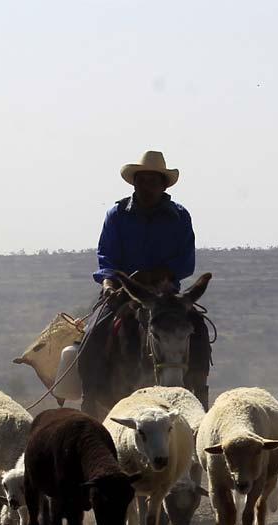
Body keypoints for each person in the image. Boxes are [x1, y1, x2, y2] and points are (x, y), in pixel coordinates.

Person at [78, 150, 210, 416]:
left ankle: (200, 391)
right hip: (122, 290)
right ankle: (90, 396)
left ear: (163, 185)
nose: (147, 187)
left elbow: (185, 261)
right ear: (134, 183)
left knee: (198, 328)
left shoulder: (179, 216)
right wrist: (109, 283)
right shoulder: (116, 214)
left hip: (165, 294)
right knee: (93, 332)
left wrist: (160, 275)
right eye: (142, 181)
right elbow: (106, 254)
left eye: (153, 181)